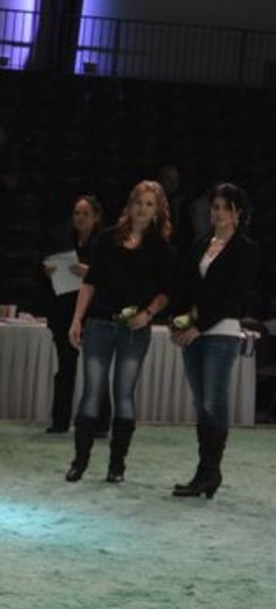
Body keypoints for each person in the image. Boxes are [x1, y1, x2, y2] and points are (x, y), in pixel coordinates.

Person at [65, 179, 174, 484]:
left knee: (124, 394)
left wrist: (148, 314)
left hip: (134, 330)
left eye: (149, 204)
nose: (142, 209)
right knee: (91, 391)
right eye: (139, 202)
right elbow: (90, 283)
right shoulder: (106, 239)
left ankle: (117, 465)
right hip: (99, 323)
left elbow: (167, 292)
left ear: (157, 211)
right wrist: (77, 320)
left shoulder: (161, 248)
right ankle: (79, 462)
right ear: (130, 204)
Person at [167, 183, 259, 499]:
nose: (217, 213)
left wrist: (199, 326)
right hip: (193, 331)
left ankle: (209, 473)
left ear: (237, 213)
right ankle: (205, 473)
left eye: (224, 208)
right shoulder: (200, 244)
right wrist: (177, 322)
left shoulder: (246, 249)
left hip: (221, 332)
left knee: (212, 402)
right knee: (201, 403)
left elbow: (234, 297)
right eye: (215, 207)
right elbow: (183, 286)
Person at [42, 195, 104, 434]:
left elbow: (111, 275)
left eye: (86, 214)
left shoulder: (103, 243)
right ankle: (60, 420)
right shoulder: (63, 239)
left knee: (95, 369)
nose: (80, 218)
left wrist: (90, 271)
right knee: (65, 369)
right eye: (77, 213)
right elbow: (47, 262)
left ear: (96, 217)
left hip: (92, 313)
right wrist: (48, 271)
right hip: (63, 311)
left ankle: (99, 422)